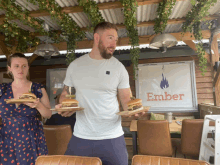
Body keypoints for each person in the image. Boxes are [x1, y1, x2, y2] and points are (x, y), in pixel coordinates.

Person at [56, 22, 145, 165]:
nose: (114, 44)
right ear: (97, 38)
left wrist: (134, 111)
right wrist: (64, 105)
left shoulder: (119, 68)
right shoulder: (75, 66)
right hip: (81, 137)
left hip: (112, 138)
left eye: (116, 40)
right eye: (110, 38)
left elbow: (126, 100)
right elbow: (66, 93)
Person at [0, 53, 52, 165]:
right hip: (6, 140)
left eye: (24, 66)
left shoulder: (37, 88)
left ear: (28, 68)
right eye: (16, 66)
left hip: (32, 139)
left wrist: (38, 105)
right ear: (9, 69)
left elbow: (48, 114)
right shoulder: (2, 90)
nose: (21, 69)